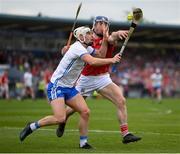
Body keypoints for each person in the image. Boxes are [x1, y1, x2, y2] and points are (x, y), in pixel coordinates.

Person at [19, 26, 121, 149]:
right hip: (57, 87)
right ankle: (32, 126)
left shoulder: (86, 48)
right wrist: (112, 60)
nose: (91, 35)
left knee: (85, 112)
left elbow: (101, 54)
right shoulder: (78, 48)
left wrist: (105, 39)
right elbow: (93, 61)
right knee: (60, 118)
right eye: (88, 34)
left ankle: (83, 143)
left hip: (70, 88)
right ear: (81, 37)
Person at [57, 16, 141, 144]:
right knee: (73, 109)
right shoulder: (86, 38)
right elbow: (72, 52)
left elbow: (114, 36)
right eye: (100, 23)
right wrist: (65, 51)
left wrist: (119, 33)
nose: (103, 26)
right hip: (85, 79)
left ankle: (126, 134)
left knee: (121, 100)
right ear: (94, 25)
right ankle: (63, 120)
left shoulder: (108, 38)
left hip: (103, 78)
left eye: (105, 24)